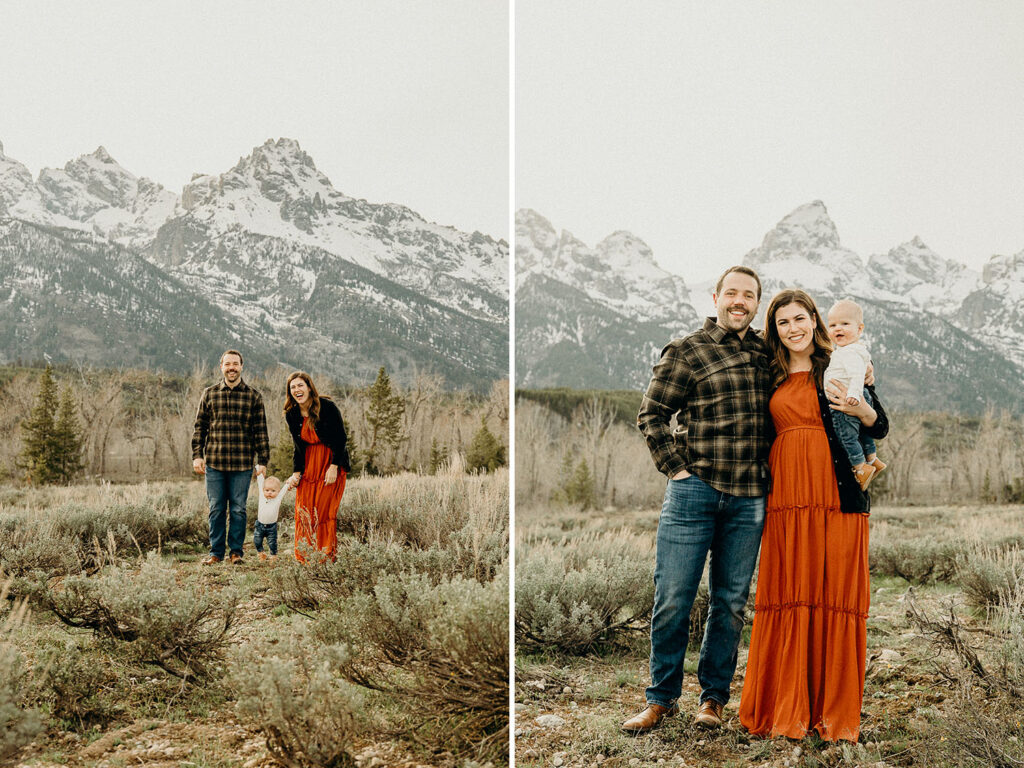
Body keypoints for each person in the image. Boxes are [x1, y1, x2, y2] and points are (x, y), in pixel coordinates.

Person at [738, 289, 889, 742]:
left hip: (836, 494)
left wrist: (860, 406)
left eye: (800, 318)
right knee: (790, 589)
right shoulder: (769, 372)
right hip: (787, 496)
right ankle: (785, 705)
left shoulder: (839, 361)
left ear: (815, 321)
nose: (793, 328)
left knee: (833, 591)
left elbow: (878, 423)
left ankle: (831, 712)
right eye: (783, 322)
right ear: (775, 331)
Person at [625, 266, 771, 734]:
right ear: (716, 298)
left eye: (749, 295)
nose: (739, 301)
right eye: (732, 293)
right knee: (673, 599)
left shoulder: (768, 352)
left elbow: (817, 358)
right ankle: (661, 699)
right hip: (695, 493)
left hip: (750, 497)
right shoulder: (686, 351)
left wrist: (860, 365)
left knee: (729, 603)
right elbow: (651, 415)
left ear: (757, 303)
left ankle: (713, 700)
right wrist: (677, 469)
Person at [191, 350, 271, 565]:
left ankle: (236, 552)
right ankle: (215, 553)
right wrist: (197, 455)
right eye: (228, 364)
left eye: (235, 364)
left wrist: (262, 460)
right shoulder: (210, 393)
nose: (231, 368)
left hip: (242, 464)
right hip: (215, 463)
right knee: (216, 509)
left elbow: (260, 431)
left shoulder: (253, 396)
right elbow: (200, 428)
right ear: (221, 367)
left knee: (238, 509)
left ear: (242, 366)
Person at [284, 371, 352, 563]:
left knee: (323, 511)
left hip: (329, 462)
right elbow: (298, 446)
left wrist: (334, 466)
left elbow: (341, 439)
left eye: (300, 385)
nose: (297, 390)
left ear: (309, 387)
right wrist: (296, 472)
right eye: (293, 387)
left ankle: (325, 556)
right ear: (290, 393)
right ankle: (305, 557)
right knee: (303, 509)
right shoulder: (292, 414)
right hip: (308, 465)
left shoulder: (327, 407)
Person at [824, 299, 886, 489]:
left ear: (860, 329)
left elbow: (856, 374)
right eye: (833, 325)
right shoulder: (849, 350)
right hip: (854, 397)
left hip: (846, 401)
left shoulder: (848, 353)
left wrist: (853, 395)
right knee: (861, 432)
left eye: (844, 324)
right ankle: (873, 459)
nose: (838, 329)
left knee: (847, 436)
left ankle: (860, 467)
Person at [254, 472, 293, 560]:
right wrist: (258, 469)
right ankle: (261, 553)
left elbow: (284, 489)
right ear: (263, 490)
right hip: (259, 525)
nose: (269, 493)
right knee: (257, 541)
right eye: (267, 490)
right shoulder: (262, 496)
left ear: (278, 491)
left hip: (271, 527)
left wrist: (291, 479)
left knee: (272, 543)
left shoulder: (277, 499)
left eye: (273, 491)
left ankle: (273, 556)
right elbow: (260, 482)